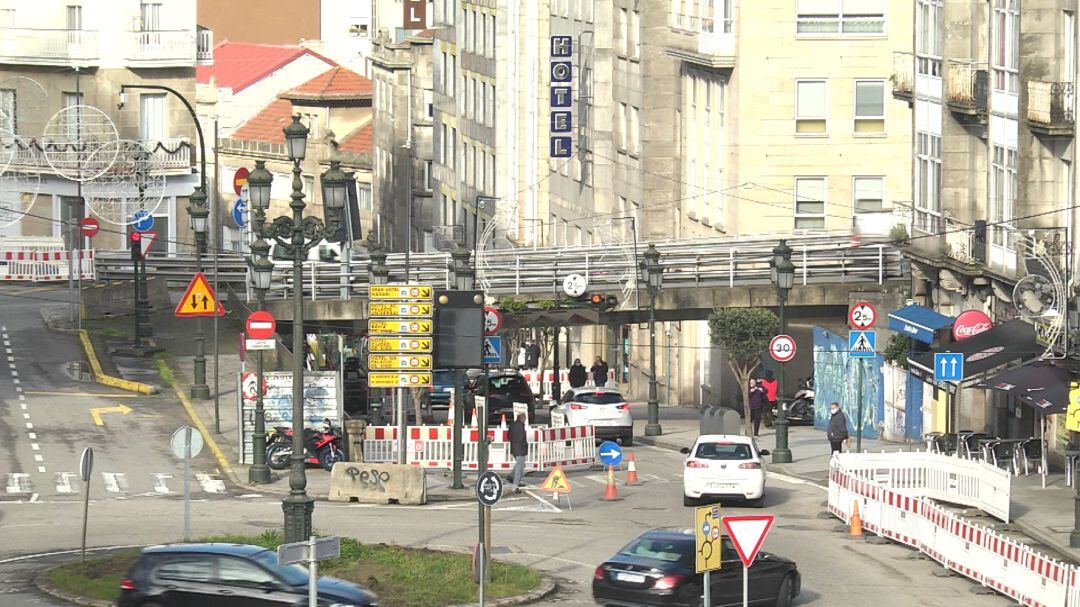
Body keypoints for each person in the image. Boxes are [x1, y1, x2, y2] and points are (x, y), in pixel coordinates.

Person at [509, 413, 529, 490]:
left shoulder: (512, 424)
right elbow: (521, 438)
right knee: (520, 465)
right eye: (525, 418)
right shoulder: (521, 426)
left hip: (514, 447)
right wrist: (524, 445)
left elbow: (509, 435)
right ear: (522, 418)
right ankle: (515, 483)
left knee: (520, 464)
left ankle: (511, 476)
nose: (525, 420)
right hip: (520, 448)